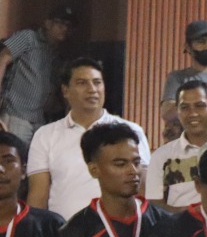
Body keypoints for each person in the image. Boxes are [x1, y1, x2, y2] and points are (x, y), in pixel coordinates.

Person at [28, 58, 150, 222]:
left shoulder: (131, 131)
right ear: (65, 90)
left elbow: (143, 188)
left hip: (119, 229)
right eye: (82, 83)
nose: (92, 89)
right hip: (63, 230)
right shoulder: (45, 135)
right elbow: (38, 195)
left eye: (97, 82)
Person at [0, 5, 74, 141]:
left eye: (68, 25)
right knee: (15, 151)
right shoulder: (28, 38)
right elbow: (1, 59)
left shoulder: (57, 54)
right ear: (48, 24)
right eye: (60, 24)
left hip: (40, 119)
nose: (64, 29)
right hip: (16, 114)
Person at [146, 80, 207, 212]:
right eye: (184, 107)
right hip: (178, 223)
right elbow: (154, 204)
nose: (192, 113)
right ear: (177, 111)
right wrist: (189, 214)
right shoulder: (161, 155)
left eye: (200, 106)